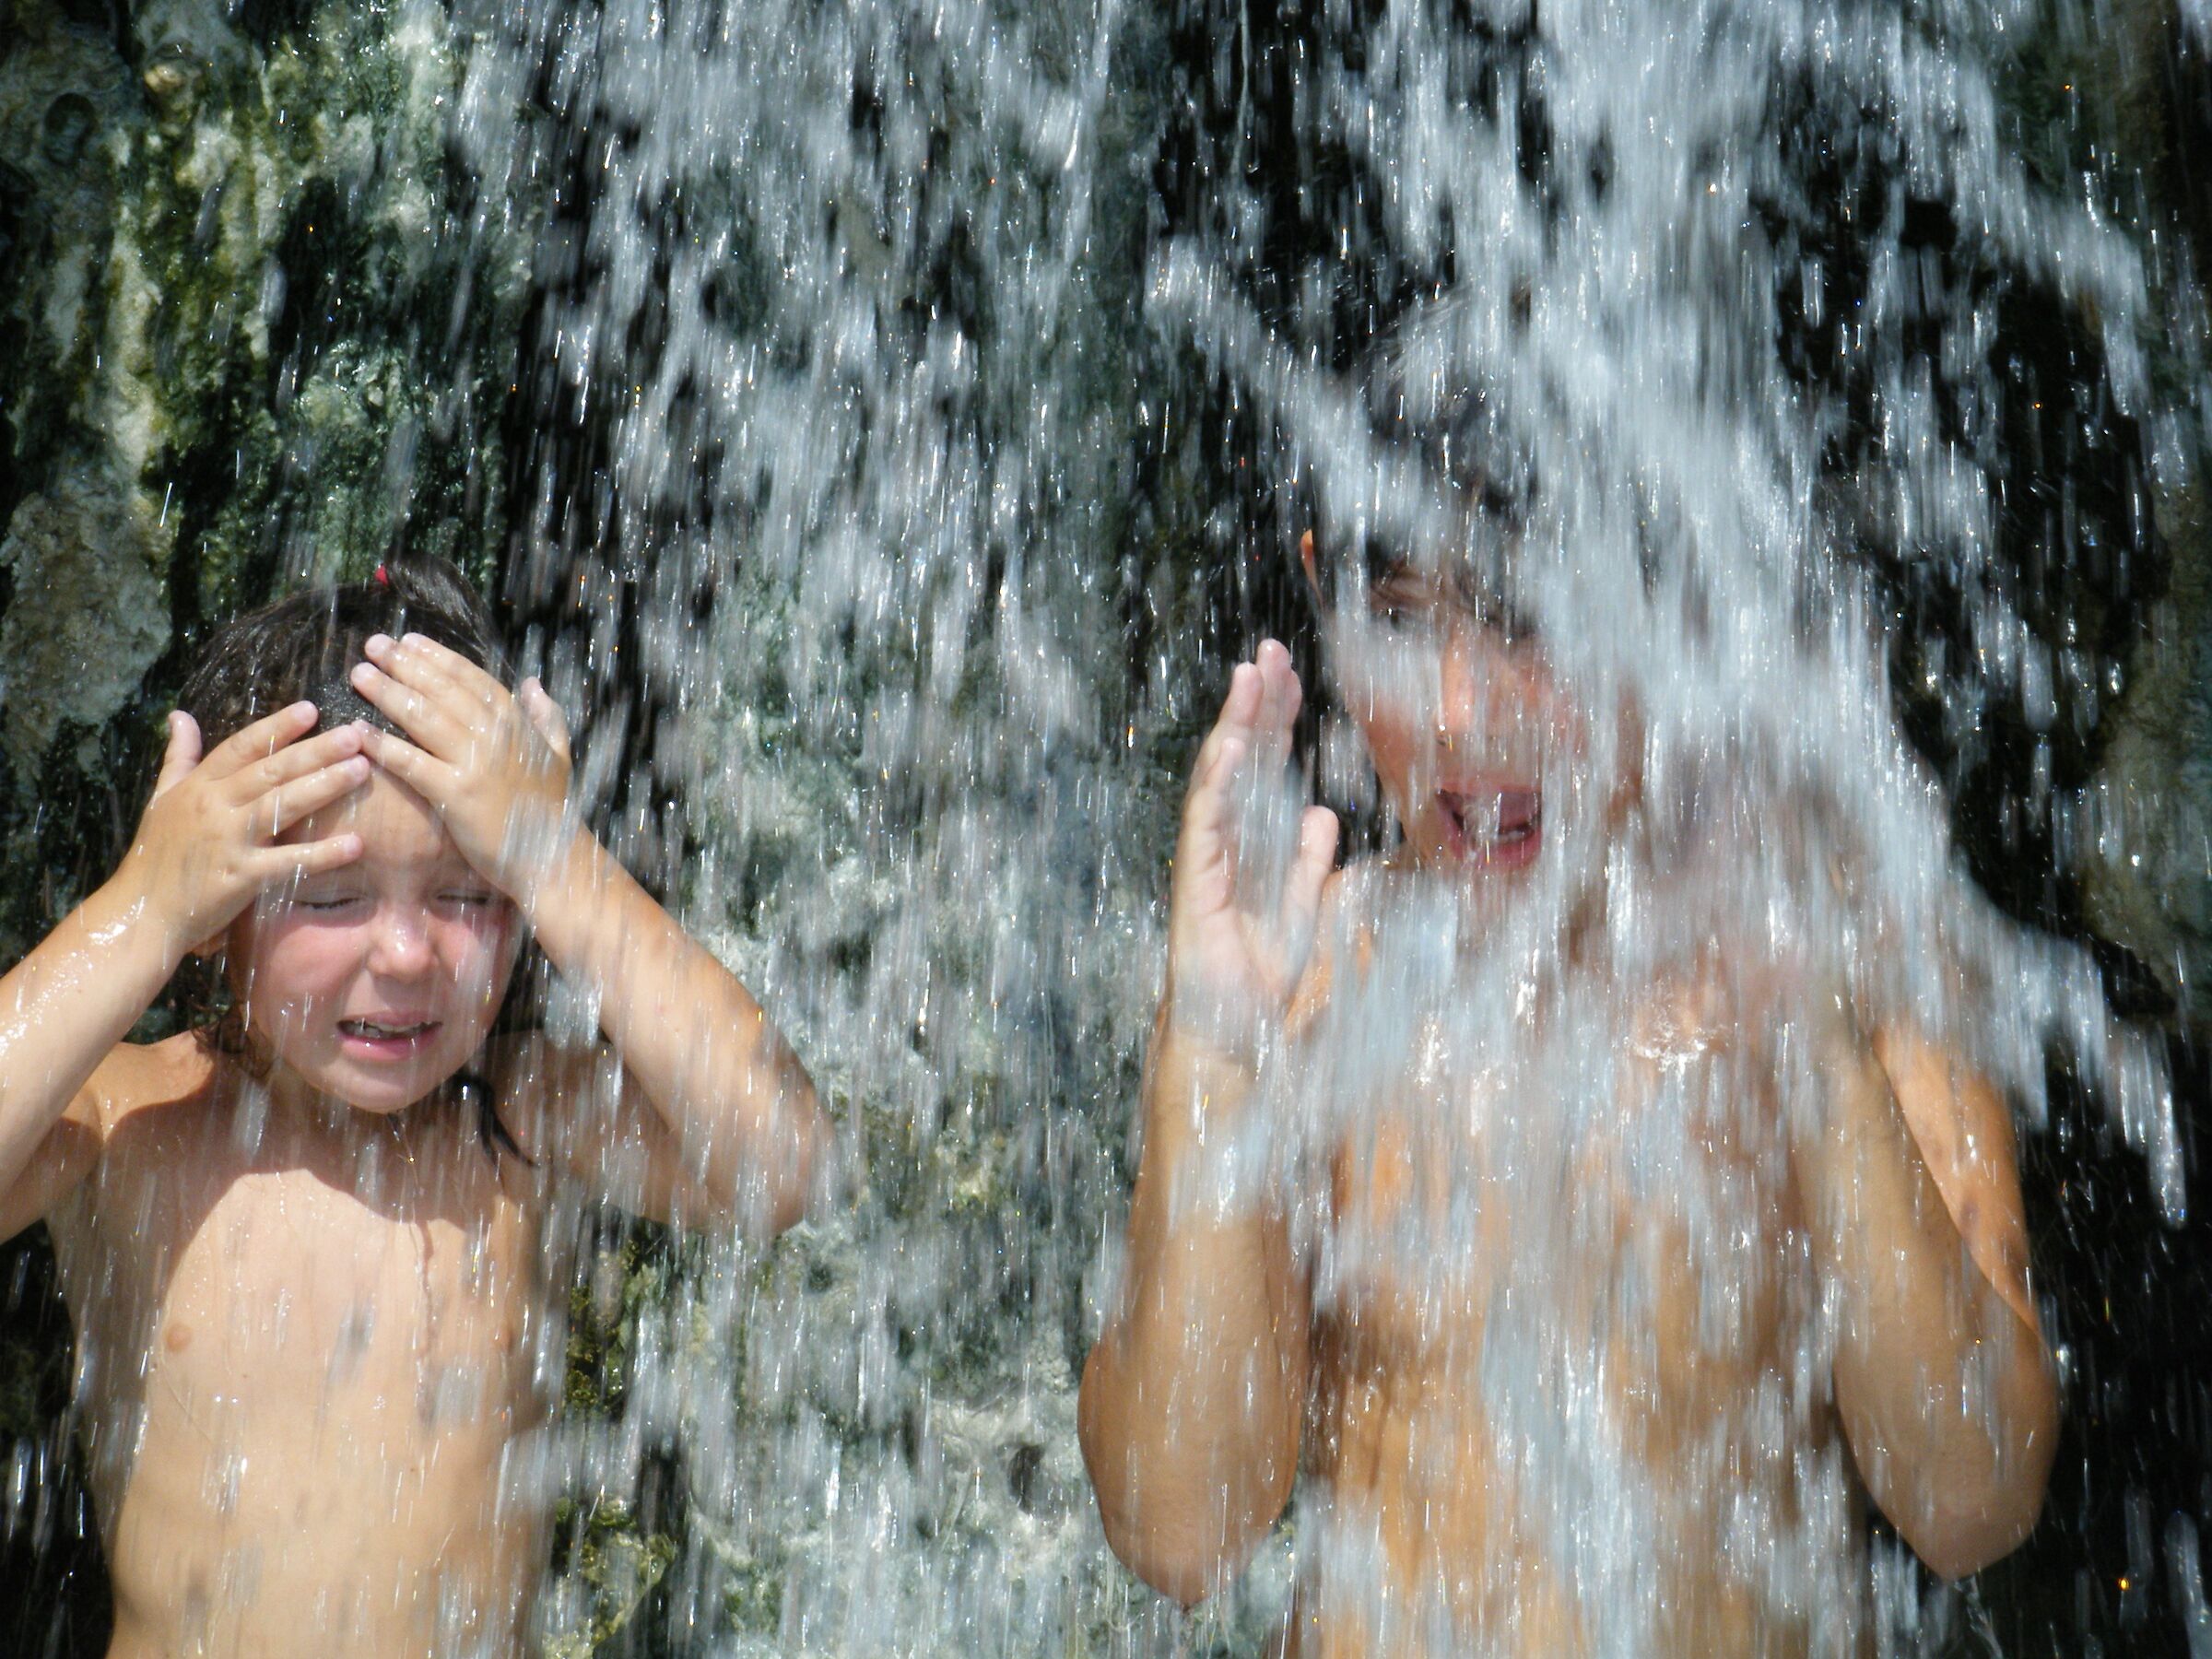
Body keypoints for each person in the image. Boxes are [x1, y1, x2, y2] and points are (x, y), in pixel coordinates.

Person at [1077, 524, 2059, 1655]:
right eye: (1398, 621)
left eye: (1533, 619)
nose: (1462, 712)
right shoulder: (1302, 988)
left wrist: (1821, 1048)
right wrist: (1213, 1057)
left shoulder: (1848, 959)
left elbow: (1971, 1503)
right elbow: (1177, 1533)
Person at [0, 558, 827, 1657]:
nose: (405, 954)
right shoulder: (127, 1115)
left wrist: (555, 859)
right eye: (333, 895)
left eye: (468, 893)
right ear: (218, 908)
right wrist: (144, 910)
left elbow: (781, 1167)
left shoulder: (521, 1119)